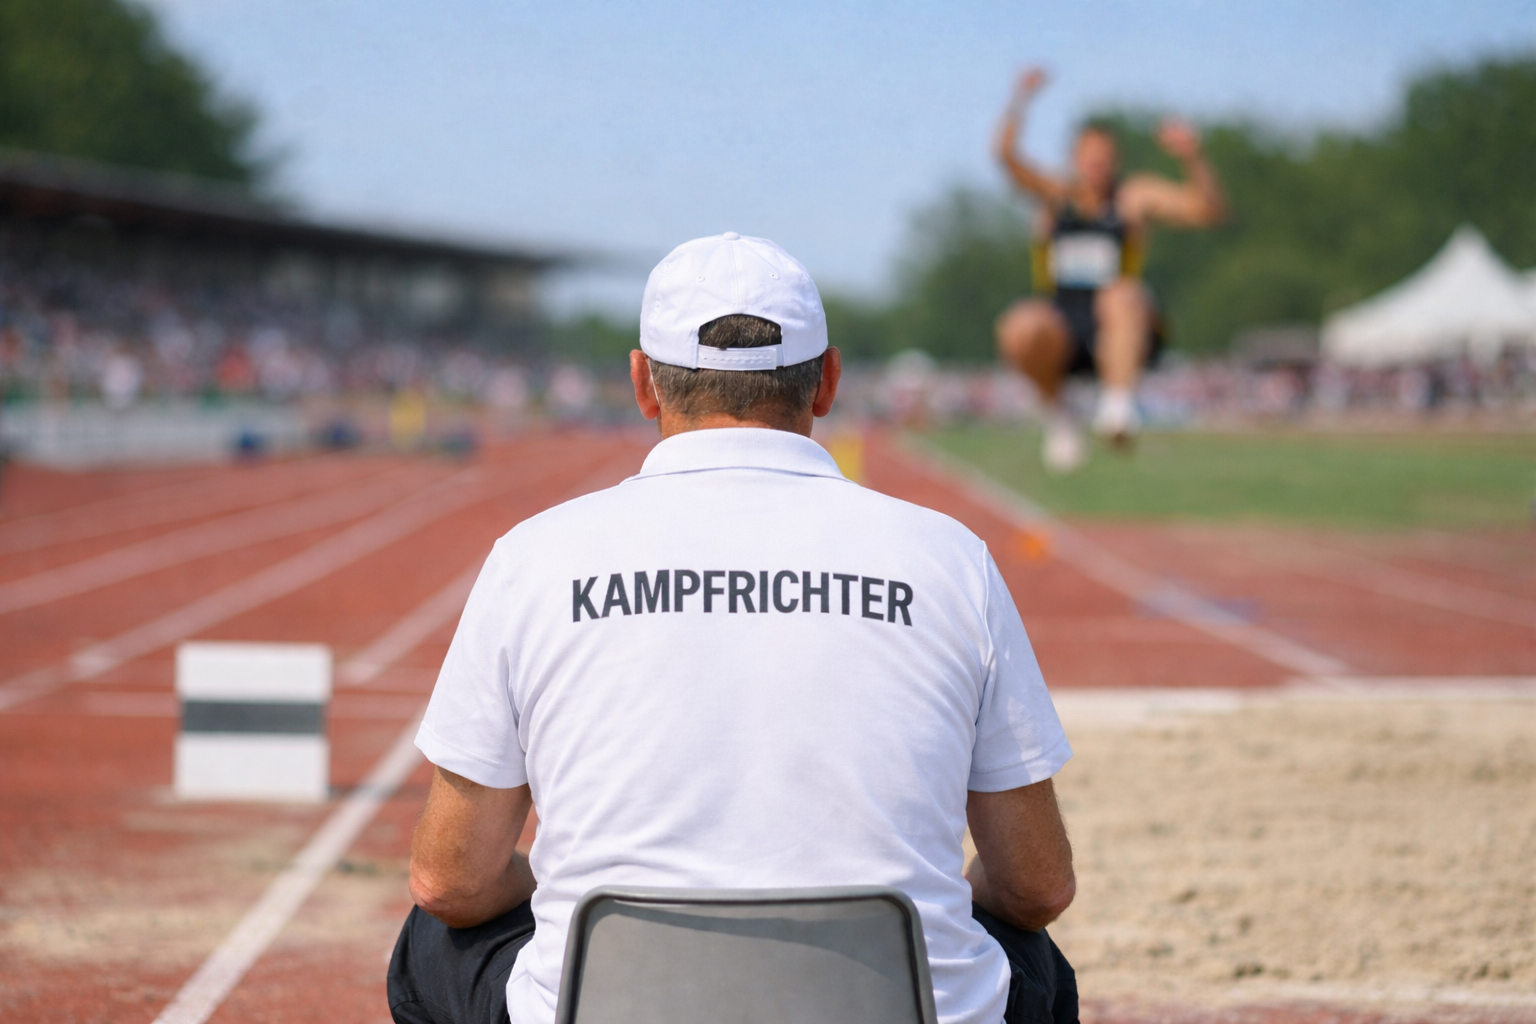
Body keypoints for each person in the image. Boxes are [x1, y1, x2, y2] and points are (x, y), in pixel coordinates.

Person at [387, 232, 1079, 1024]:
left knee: (431, 937)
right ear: (828, 384)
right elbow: (1038, 886)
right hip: (888, 1004)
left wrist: (557, 888)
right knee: (1028, 956)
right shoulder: (953, 559)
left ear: (643, 383)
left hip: (614, 1002)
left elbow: (449, 881)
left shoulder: (533, 559)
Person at [994, 68, 1226, 472]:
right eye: (1088, 158)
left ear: (1115, 162)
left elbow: (1207, 210)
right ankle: (1059, 417)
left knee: (1118, 294)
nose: (1096, 167)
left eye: (1104, 159)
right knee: (1018, 325)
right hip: (1063, 327)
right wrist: (1019, 102)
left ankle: (1117, 410)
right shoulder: (1054, 196)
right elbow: (1006, 158)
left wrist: (1193, 157)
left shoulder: (1133, 198)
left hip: (1124, 328)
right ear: (1074, 159)